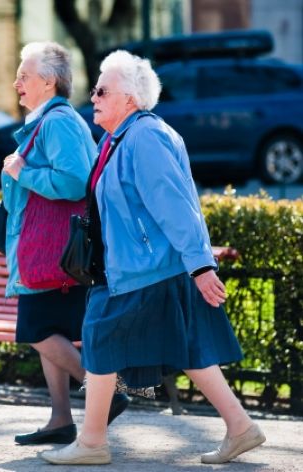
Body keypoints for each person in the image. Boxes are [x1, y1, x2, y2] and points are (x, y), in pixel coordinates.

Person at [41, 50, 266, 465]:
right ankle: (241, 427)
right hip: (140, 268)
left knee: (100, 337)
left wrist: (200, 264)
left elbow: (175, 204)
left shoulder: (144, 137)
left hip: (144, 270)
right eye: (94, 90)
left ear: (130, 98)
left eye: (102, 90)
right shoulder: (119, 137)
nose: (92, 97)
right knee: (189, 350)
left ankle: (92, 442)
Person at [2, 41, 129, 446]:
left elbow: (74, 181)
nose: (16, 82)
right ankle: (60, 418)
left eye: (24, 75)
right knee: (50, 329)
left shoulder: (58, 122)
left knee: (36, 329)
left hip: (52, 252)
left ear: (49, 81)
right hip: (49, 251)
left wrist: (24, 172)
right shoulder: (47, 121)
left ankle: (104, 394)